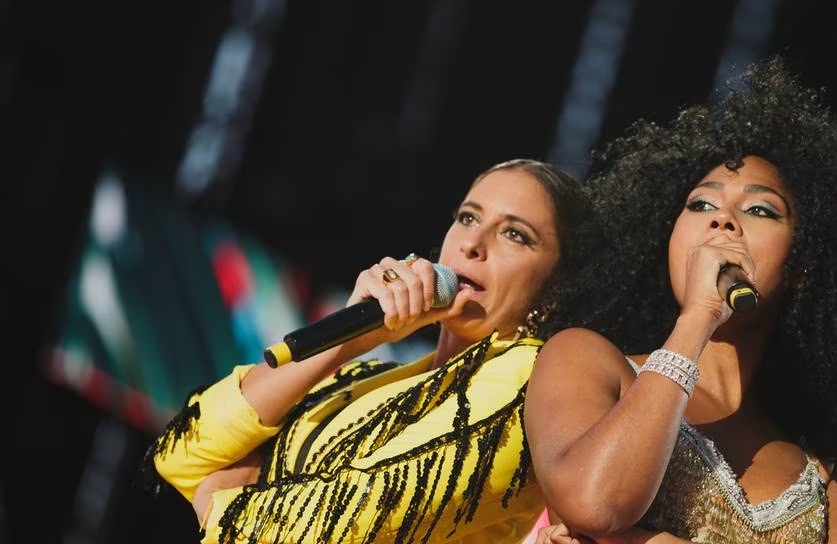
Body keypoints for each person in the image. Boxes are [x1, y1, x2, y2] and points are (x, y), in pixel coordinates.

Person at [524, 56, 837, 543]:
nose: (722, 220)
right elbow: (597, 505)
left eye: (760, 209)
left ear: (804, 268)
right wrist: (699, 317)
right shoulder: (585, 359)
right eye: (700, 204)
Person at [140, 158, 591, 544]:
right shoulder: (365, 375)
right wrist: (350, 341)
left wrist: (215, 496)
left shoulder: (532, 385)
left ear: (555, 290)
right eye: (469, 218)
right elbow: (179, 454)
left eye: (514, 235)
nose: (473, 244)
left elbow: (327, 529)